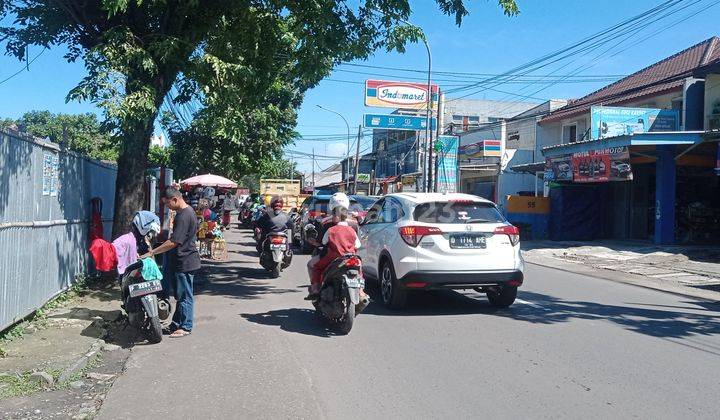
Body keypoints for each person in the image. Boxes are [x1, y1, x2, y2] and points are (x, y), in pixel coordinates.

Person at [140, 187, 201, 338]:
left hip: (185, 261)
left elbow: (174, 242)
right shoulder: (187, 212)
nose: (168, 207)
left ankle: (185, 326)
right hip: (182, 260)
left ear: (175, 199)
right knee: (180, 296)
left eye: (168, 204)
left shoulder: (184, 215)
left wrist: (152, 251)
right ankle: (175, 324)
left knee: (185, 296)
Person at [305, 192, 364, 300]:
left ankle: (316, 289)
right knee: (359, 268)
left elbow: (323, 242)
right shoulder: (353, 225)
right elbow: (358, 244)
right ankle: (361, 291)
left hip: (332, 257)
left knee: (313, 265)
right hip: (351, 256)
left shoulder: (328, 225)